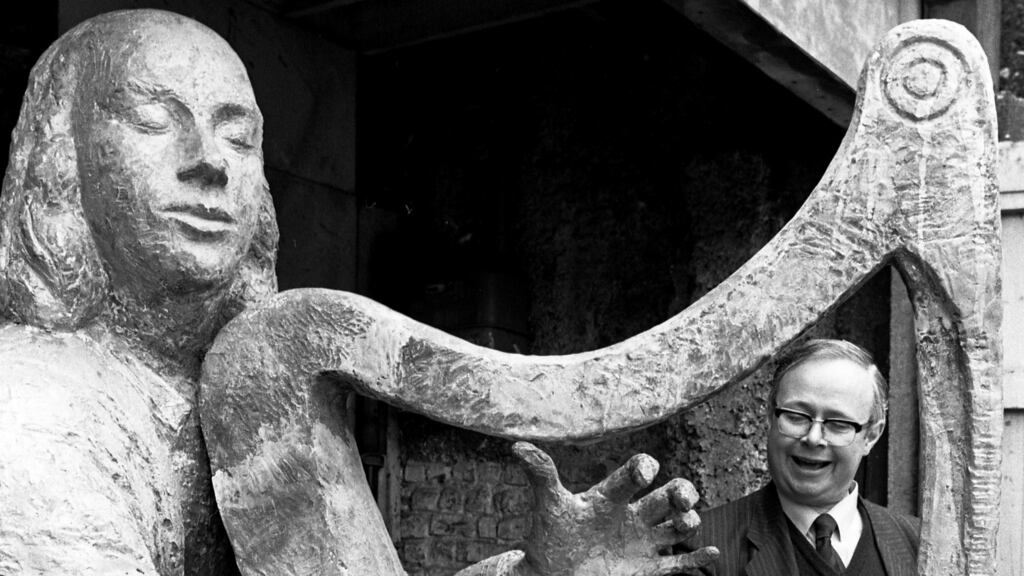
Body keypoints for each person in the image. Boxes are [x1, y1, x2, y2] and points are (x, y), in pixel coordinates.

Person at [0, 9, 714, 575]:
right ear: (63, 159)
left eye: (238, 136)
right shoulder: (29, 407)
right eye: (155, 121)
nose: (209, 163)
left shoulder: (264, 399)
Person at [694, 339, 919, 575]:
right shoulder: (700, 547)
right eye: (797, 416)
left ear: (871, 436)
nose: (813, 438)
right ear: (770, 417)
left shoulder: (922, 545)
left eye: (837, 423)